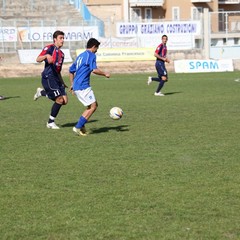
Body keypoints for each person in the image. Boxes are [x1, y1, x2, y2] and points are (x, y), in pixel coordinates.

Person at [69, 38, 110, 136]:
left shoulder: (80, 56)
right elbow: (94, 70)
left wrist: (72, 84)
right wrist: (105, 74)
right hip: (83, 86)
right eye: (97, 48)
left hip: (78, 86)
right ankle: (78, 127)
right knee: (93, 106)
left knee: (91, 105)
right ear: (93, 47)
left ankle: (81, 126)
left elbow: (71, 70)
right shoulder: (91, 55)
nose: (96, 51)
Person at [34, 30, 68, 129]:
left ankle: (42, 93)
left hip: (56, 78)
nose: (62, 40)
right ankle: (50, 122)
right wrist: (46, 55)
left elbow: (58, 71)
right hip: (48, 77)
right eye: (60, 38)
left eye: (63, 38)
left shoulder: (61, 54)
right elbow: (38, 59)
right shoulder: (49, 48)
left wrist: (62, 82)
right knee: (59, 99)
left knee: (65, 101)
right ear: (55, 39)